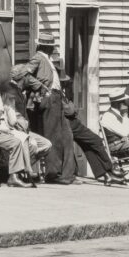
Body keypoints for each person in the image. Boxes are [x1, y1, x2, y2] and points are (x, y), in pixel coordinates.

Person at [60, 78, 126, 185]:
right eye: (66, 82)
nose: (68, 84)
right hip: (70, 124)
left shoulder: (61, 92)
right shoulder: (57, 92)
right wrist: (73, 108)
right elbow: (70, 110)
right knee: (96, 140)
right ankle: (110, 168)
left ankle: (107, 176)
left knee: (88, 146)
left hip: (71, 123)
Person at [30, 57, 77, 185]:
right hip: (47, 108)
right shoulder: (38, 59)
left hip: (61, 112)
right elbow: (27, 74)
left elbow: (70, 110)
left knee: (67, 137)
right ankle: (52, 174)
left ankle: (67, 174)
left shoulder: (62, 91)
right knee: (54, 138)